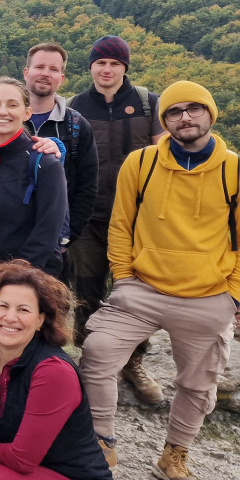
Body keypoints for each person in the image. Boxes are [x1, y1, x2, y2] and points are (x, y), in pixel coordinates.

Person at [79, 81, 240, 480]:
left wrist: (233, 296)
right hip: (142, 288)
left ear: (210, 113)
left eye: (194, 108)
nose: (185, 117)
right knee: (97, 352)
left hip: (207, 294)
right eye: (174, 111)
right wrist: (124, 278)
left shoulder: (239, 171)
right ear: (164, 121)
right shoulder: (141, 163)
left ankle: (174, 455)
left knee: (199, 384)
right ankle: (101, 442)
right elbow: (120, 226)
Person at [0, 260, 113, 480]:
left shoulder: (53, 371)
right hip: (20, 471)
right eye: (2, 306)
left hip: (73, 478)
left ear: (40, 320)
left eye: (24, 310)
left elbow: (22, 459)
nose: (10, 317)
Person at [67, 35, 165, 403]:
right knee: (87, 293)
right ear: (91, 66)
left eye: (114, 63)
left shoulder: (148, 103)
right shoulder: (75, 107)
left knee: (137, 295)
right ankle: (91, 360)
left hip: (137, 220)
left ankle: (133, 362)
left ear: (125, 67)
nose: (106, 69)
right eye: (100, 62)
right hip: (88, 218)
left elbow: (164, 153)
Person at [0, 78, 68, 276]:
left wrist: (16, 277)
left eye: (12, 105)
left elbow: (48, 230)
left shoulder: (46, 163)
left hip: (34, 276)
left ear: (27, 113)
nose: (2, 112)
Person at [21, 43, 98, 266]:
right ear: (26, 72)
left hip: (54, 247)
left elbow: (87, 187)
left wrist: (66, 238)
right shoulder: (5, 120)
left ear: (61, 78)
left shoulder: (76, 126)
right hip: (6, 238)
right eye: (39, 67)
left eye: (53, 69)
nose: (45, 73)